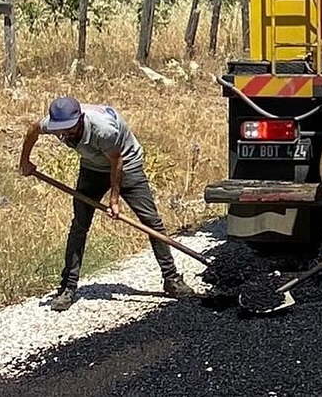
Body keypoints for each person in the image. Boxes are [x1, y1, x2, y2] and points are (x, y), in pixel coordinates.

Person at [18, 96, 196, 311]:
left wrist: (114, 200)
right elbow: (33, 130)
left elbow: (117, 162)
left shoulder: (104, 130)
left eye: (69, 128)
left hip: (126, 165)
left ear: (80, 119)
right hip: (92, 167)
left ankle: (172, 279)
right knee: (79, 226)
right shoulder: (55, 123)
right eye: (60, 129)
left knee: (151, 222)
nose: (63, 133)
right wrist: (24, 161)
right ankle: (68, 287)